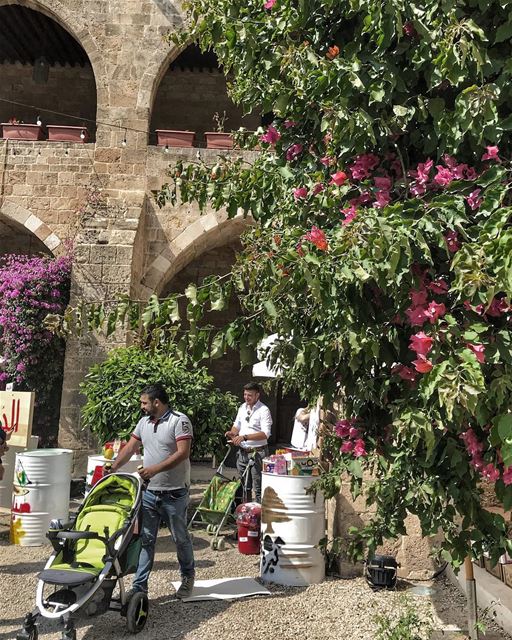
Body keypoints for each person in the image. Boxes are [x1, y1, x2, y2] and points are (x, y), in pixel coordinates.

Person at [108, 383, 195, 599]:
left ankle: (187, 576)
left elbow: (183, 453)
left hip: (174, 493)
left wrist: (154, 469)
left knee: (180, 538)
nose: (142, 406)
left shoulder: (179, 421)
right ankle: (139, 586)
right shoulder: (143, 422)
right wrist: (113, 467)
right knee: (146, 539)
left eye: (144, 402)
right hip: (149, 492)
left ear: (157, 402)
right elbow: (130, 447)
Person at [225, 382, 272, 503]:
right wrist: (232, 433)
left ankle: (258, 516)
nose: (246, 397)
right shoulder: (242, 407)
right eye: (245, 394)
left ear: (257, 395)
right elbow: (236, 426)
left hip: (257, 452)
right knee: (244, 486)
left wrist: (245, 437)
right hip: (242, 453)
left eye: (250, 395)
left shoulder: (264, 410)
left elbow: (265, 434)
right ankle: (246, 514)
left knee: (258, 487)